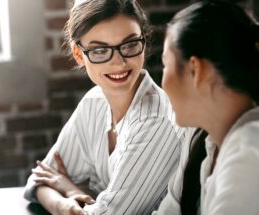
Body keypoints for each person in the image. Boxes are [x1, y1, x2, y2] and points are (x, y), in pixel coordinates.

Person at [24, 0, 185, 214]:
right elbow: (40, 178)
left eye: (129, 45)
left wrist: (69, 188)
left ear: (143, 43)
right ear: (80, 55)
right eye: (100, 50)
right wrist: (64, 203)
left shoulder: (154, 121)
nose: (118, 62)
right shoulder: (94, 102)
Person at [157, 0, 259, 214]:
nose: (162, 82)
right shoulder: (202, 142)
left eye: (165, 64)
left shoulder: (251, 150)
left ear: (196, 70)